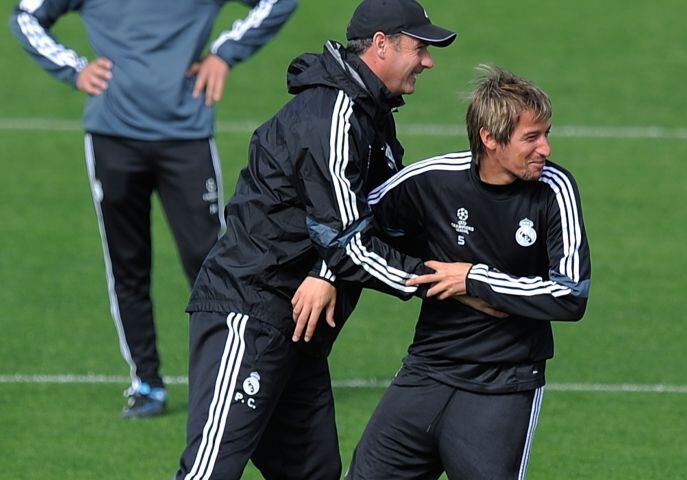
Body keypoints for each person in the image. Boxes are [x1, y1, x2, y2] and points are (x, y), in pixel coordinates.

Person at [175, 1, 457, 478]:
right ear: (382, 45)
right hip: (251, 314)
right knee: (208, 473)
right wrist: (443, 281)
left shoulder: (371, 117)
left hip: (299, 329)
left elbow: (374, 216)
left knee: (314, 473)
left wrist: (325, 273)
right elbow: (349, 240)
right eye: (419, 47)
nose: (427, 61)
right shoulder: (333, 116)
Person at [9, 0, 298, 418]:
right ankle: (146, 382)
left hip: (187, 139)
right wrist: (74, 69)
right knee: (127, 264)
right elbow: (25, 14)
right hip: (112, 138)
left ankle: (234, 376)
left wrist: (224, 51)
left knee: (214, 265)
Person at [343, 66, 592, 479]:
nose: (545, 148)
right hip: (427, 370)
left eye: (546, 133)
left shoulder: (555, 190)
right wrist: (325, 274)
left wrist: (474, 278)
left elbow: (570, 294)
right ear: (490, 139)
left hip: (504, 384)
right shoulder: (433, 180)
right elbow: (351, 227)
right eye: (531, 137)